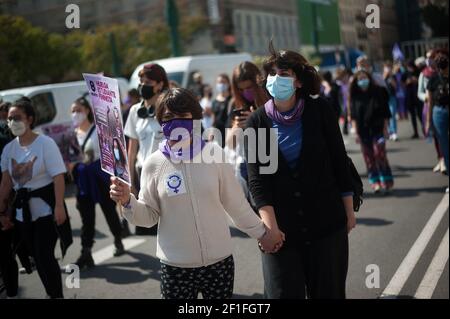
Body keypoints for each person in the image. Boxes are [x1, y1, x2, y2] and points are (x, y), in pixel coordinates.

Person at [110, 88, 281, 299]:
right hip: (175, 268)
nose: (176, 122)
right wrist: (128, 201)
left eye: (182, 116)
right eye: (169, 117)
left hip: (219, 264)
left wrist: (264, 234)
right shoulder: (153, 164)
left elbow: (236, 205)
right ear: (160, 122)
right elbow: (148, 216)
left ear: (195, 117)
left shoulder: (214, 154)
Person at [245, 45, 356, 299]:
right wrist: (270, 230)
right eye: (271, 73)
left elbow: (340, 161)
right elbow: (258, 182)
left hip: (327, 226)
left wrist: (348, 211)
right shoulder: (258, 122)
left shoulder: (320, 110)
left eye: (283, 73)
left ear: (297, 81)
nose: (275, 78)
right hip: (281, 233)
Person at [0, 99, 67, 298]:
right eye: (10, 118)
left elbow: (58, 177)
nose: (12, 122)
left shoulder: (45, 143)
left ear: (30, 119)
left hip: (46, 211)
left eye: (17, 118)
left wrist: (59, 207)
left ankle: (56, 295)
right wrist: (1, 211)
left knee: (45, 256)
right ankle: (51, 292)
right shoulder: (9, 149)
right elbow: (5, 184)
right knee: (36, 258)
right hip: (22, 215)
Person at [68, 97, 125, 269]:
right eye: (72, 111)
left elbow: (112, 153)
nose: (75, 114)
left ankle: (118, 239)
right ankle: (86, 252)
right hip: (82, 183)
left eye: (78, 110)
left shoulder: (98, 131)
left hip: (100, 179)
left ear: (87, 111)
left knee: (109, 211)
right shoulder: (72, 135)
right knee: (87, 218)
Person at [124, 64, 169, 235]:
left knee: (169, 222)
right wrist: (129, 181)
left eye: (148, 81)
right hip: (143, 173)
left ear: (159, 84)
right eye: (141, 80)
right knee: (148, 226)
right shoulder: (135, 111)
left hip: (165, 172)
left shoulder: (168, 108)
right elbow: (132, 149)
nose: (142, 84)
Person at [225, 62, 269, 199]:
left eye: (249, 87)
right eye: (241, 89)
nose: (246, 93)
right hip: (247, 167)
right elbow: (229, 144)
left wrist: (255, 119)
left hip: (270, 162)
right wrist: (236, 127)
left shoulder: (270, 100)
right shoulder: (235, 104)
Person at [351, 70, 394, 194]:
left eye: (364, 78)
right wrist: (356, 132)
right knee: (369, 158)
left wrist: (386, 129)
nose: (362, 81)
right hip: (363, 132)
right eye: (360, 79)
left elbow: (386, 112)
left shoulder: (378, 92)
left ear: (369, 78)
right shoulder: (355, 96)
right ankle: (375, 182)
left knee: (379, 153)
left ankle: (386, 180)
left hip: (378, 130)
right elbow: (353, 116)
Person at [419, 49, 446, 174]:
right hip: (433, 109)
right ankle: (441, 160)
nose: (429, 59)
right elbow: (420, 93)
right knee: (439, 139)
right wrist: (424, 96)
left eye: (431, 57)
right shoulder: (425, 75)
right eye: (427, 57)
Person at [426, 49, 449, 192]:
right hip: (439, 112)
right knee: (445, 147)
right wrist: (428, 121)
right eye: (442, 69)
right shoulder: (433, 79)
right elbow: (430, 102)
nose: (444, 72)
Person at [211, 74, 233, 146]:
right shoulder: (214, 101)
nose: (221, 84)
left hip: (229, 133)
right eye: (219, 82)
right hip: (218, 135)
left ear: (228, 83)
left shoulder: (232, 100)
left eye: (223, 82)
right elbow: (213, 119)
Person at [405, 60, 424, 139]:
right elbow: (402, 83)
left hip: (418, 97)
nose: (410, 68)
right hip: (410, 97)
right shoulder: (406, 74)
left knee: (420, 115)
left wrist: (416, 80)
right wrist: (408, 81)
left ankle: (425, 130)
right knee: (412, 116)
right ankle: (415, 132)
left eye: (410, 66)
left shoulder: (419, 72)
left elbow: (422, 83)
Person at [383, 61, 399, 141]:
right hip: (384, 98)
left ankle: (394, 132)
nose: (388, 69)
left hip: (392, 97)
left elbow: (396, 87)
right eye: (386, 67)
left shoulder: (393, 76)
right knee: (386, 115)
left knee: (392, 114)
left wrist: (392, 79)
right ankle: (389, 131)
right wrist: (385, 77)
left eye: (389, 67)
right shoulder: (382, 76)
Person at [335, 67, 353, 135]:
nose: (344, 78)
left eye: (345, 76)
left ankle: (350, 127)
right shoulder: (340, 85)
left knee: (350, 115)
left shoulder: (351, 83)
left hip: (351, 103)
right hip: (344, 104)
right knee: (346, 115)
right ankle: (346, 128)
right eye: (343, 76)